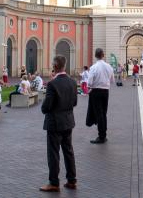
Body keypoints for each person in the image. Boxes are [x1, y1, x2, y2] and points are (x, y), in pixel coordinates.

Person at [40, 55, 78, 192]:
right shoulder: (73, 82)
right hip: (68, 121)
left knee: (53, 153)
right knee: (68, 151)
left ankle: (54, 182)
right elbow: (74, 102)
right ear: (64, 66)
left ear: (55, 66)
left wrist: (45, 107)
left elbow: (46, 107)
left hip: (54, 123)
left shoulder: (52, 84)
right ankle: (72, 180)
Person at [86, 48, 114, 144]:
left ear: (95, 55)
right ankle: (103, 134)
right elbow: (112, 80)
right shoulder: (109, 66)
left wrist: (91, 86)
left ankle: (101, 136)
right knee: (103, 113)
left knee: (99, 114)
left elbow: (89, 82)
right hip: (106, 91)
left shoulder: (94, 67)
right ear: (103, 55)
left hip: (96, 91)